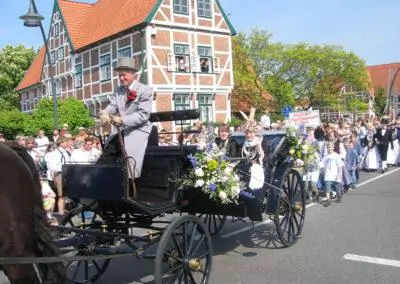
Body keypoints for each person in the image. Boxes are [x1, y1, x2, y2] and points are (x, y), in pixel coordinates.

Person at [99, 57, 153, 179]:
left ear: (133, 74)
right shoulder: (119, 90)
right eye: (119, 76)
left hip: (138, 131)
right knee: (107, 154)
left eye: (124, 75)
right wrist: (105, 112)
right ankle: (104, 181)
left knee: (129, 159)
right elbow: (113, 105)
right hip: (121, 131)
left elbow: (143, 115)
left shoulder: (144, 90)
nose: (121, 78)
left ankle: (130, 182)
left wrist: (122, 120)